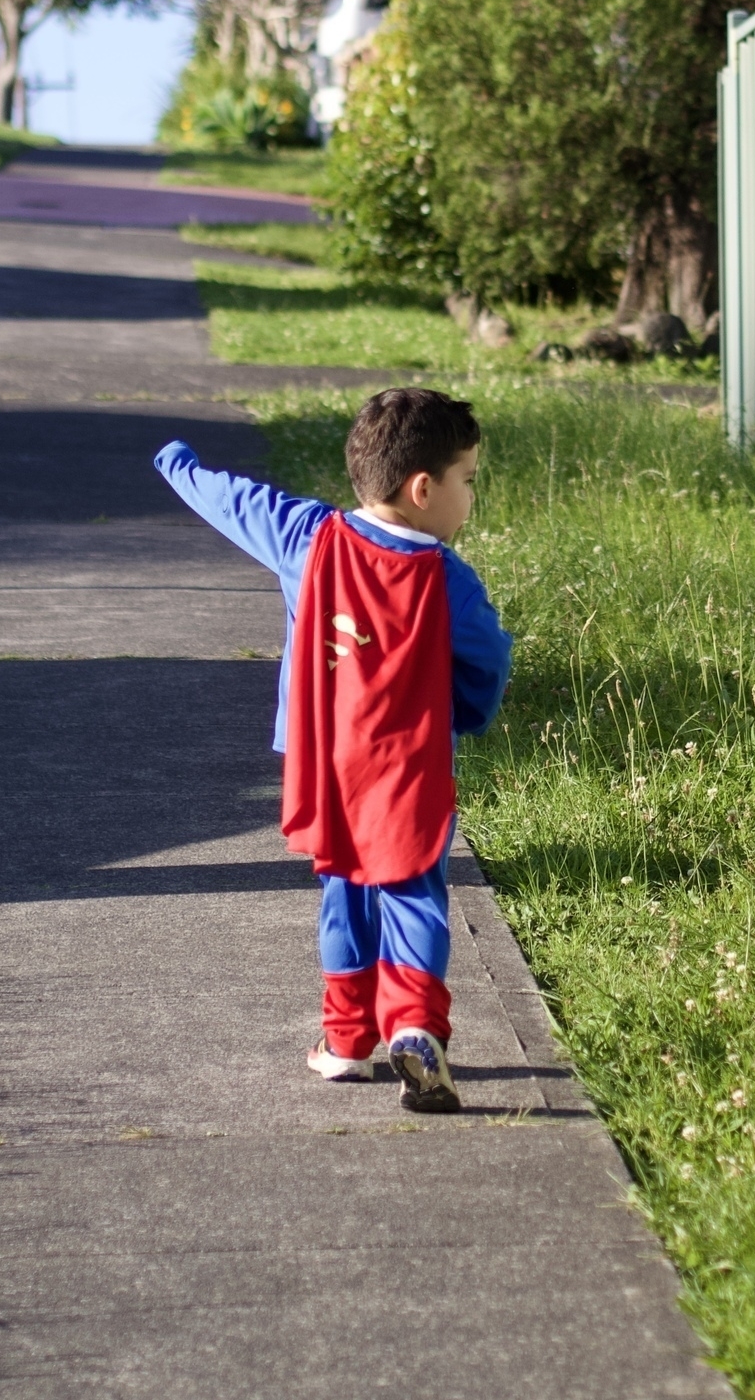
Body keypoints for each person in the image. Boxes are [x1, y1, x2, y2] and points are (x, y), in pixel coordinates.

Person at [154, 388, 512, 1113]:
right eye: (467, 479)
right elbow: (486, 660)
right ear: (422, 488)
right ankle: (413, 1026)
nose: (470, 496)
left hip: (325, 767)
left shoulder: (305, 535)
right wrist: (467, 713)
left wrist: (177, 462)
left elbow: (233, 499)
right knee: (412, 890)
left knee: (342, 890)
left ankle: (346, 1041)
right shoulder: (447, 581)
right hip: (407, 771)